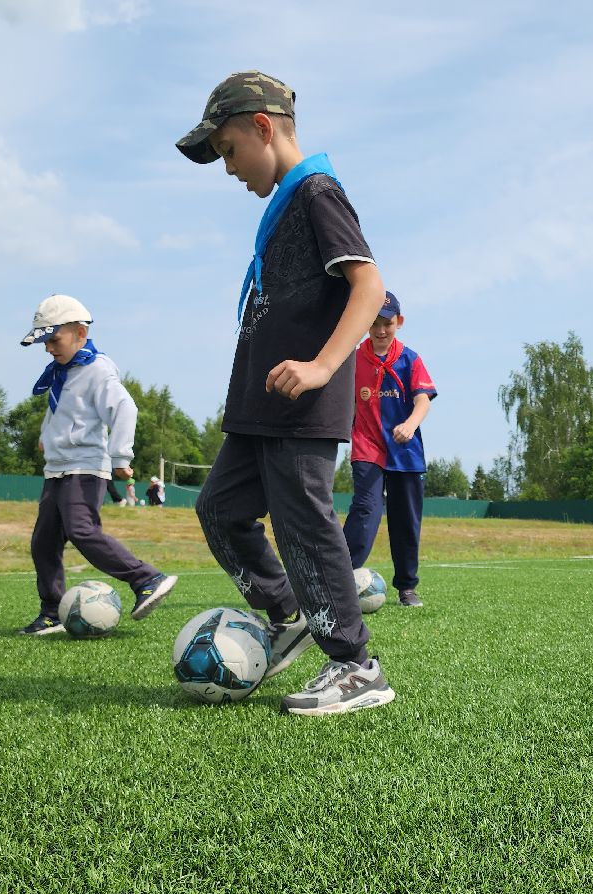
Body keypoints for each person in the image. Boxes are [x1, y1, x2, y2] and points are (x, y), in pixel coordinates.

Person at [177, 70, 395, 715]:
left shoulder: (317, 193)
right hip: (258, 408)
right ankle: (289, 611)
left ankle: (357, 667)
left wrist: (324, 367)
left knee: (304, 525)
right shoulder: (286, 206)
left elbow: (369, 288)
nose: (229, 170)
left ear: (262, 128)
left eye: (228, 153)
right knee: (219, 510)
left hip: (301, 404)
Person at [18, 294, 176, 634]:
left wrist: (121, 456)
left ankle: (147, 578)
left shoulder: (97, 369)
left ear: (80, 333)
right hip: (58, 469)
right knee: (43, 541)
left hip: (86, 467)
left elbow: (124, 409)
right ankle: (52, 611)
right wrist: (47, 434)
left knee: (81, 530)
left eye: (54, 340)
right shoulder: (62, 373)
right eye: (44, 342)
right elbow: (60, 410)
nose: (48, 348)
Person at [342, 290, 437, 607]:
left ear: (400, 322)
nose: (381, 331)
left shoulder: (410, 359)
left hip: (406, 454)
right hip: (368, 448)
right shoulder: (353, 359)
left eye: (388, 323)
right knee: (366, 511)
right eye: (374, 324)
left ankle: (407, 587)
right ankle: (338, 580)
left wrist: (410, 424)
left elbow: (423, 400)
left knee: (405, 521)